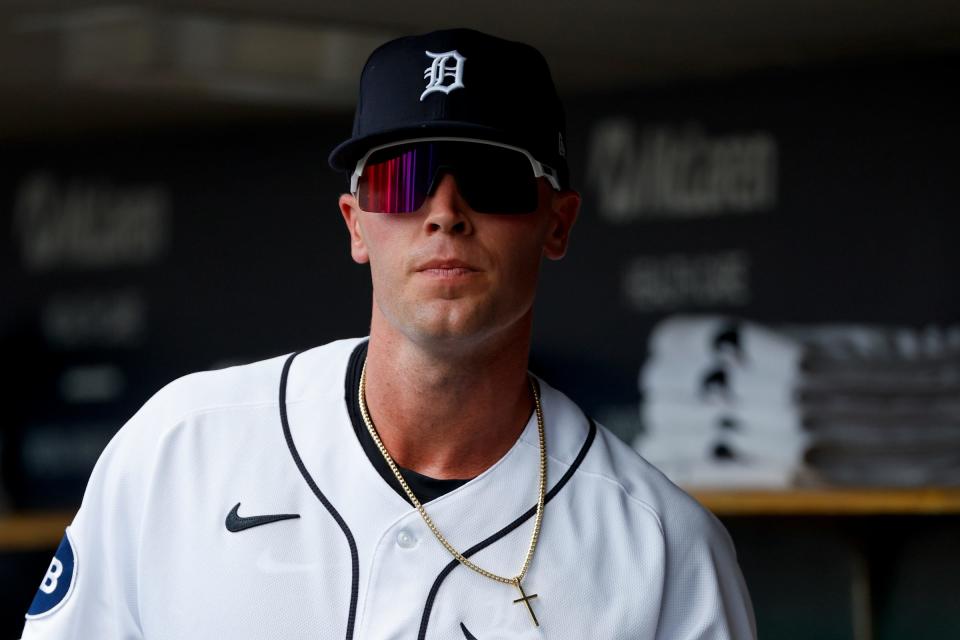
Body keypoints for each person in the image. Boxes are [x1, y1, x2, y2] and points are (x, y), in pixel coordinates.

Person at [21, 28, 756, 639]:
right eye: (401, 180)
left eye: (491, 177)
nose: (443, 212)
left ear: (556, 222)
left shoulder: (662, 549)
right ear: (356, 224)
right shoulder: (181, 445)